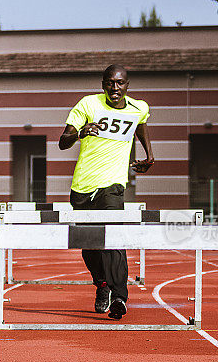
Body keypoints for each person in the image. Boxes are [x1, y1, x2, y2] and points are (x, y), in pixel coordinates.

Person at [59, 65, 154, 319]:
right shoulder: (88, 105)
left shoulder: (138, 108)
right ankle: (101, 284)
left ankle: (120, 296)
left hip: (113, 185)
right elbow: (62, 141)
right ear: (103, 84)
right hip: (82, 187)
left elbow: (140, 124)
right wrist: (80, 132)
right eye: (110, 83)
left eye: (120, 83)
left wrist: (149, 154)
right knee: (89, 246)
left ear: (127, 85)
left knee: (113, 238)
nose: (115, 88)